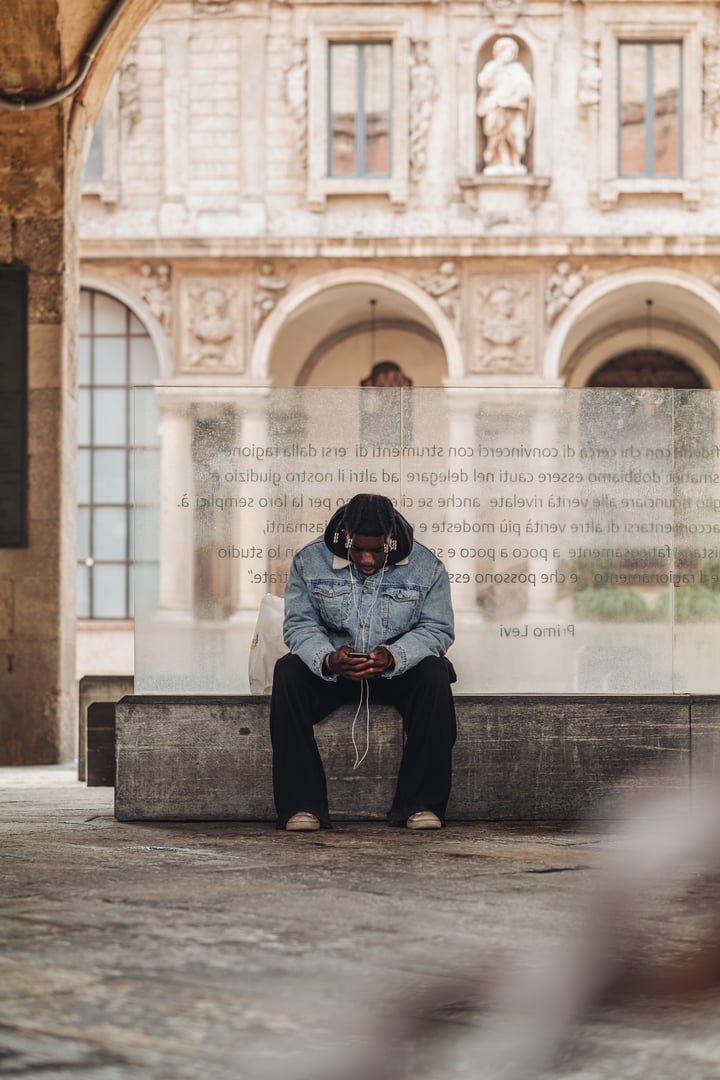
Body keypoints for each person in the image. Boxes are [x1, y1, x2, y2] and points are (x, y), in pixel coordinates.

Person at [270, 493, 456, 832]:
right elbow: (299, 625)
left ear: (392, 540)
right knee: (288, 672)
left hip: (394, 672)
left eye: (377, 550)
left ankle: (421, 805)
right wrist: (327, 659)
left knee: (435, 673)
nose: (367, 559)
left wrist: (393, 657)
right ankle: (302, 807)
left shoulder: (426, 566)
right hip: (335, 672)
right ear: (345, 537)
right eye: (358, 550)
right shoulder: (309, 561)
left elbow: (437, 629)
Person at [476, 36, 534, 174]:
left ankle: (515, 161)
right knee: (496, 136)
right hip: (495, 107)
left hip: (514, 109)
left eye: (511, 52)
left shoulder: (517, 69)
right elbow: (483, 81)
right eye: (505, 51)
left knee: (516, 134)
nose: (509, 55)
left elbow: (527, 88)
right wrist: (497, 64)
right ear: (498, 53)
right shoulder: (492, 67)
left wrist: (516, 98)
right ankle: (499, 161)